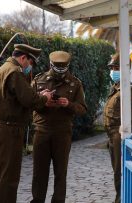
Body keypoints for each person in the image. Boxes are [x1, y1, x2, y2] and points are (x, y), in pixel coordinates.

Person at [0, 44, 54, 203]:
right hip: (10, 129)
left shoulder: (3, 68)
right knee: (10, 177)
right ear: (24, 58)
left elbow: (14, 96)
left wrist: (37, 94)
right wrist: (45, 98)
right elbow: (28, 100)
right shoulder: (15, 72)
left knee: (0, 174)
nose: (30, 68)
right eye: (30, 63)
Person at [30, 51, 87, 203]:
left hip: (62, 133)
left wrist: (69, 104)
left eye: (63, 69)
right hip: (41, 131)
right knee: (39, 172)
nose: (60, 73)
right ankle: (37, 200)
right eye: (57, 69)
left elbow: (83, 109)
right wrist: (43, 100)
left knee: (60, 172)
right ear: (51, 65)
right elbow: (28, 104)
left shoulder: (75, 83)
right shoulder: (38, 80)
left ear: (68, 66)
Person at [103, 53, 132, 203]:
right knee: (116, 171)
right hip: (113, 137)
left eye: (116, 68)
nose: (113, 71)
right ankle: (120, 197)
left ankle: (121, 199)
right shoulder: (116, 88)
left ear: (125, 70)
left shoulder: (128, 90)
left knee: (120, 171)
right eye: (112, 67)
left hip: (121, 136)